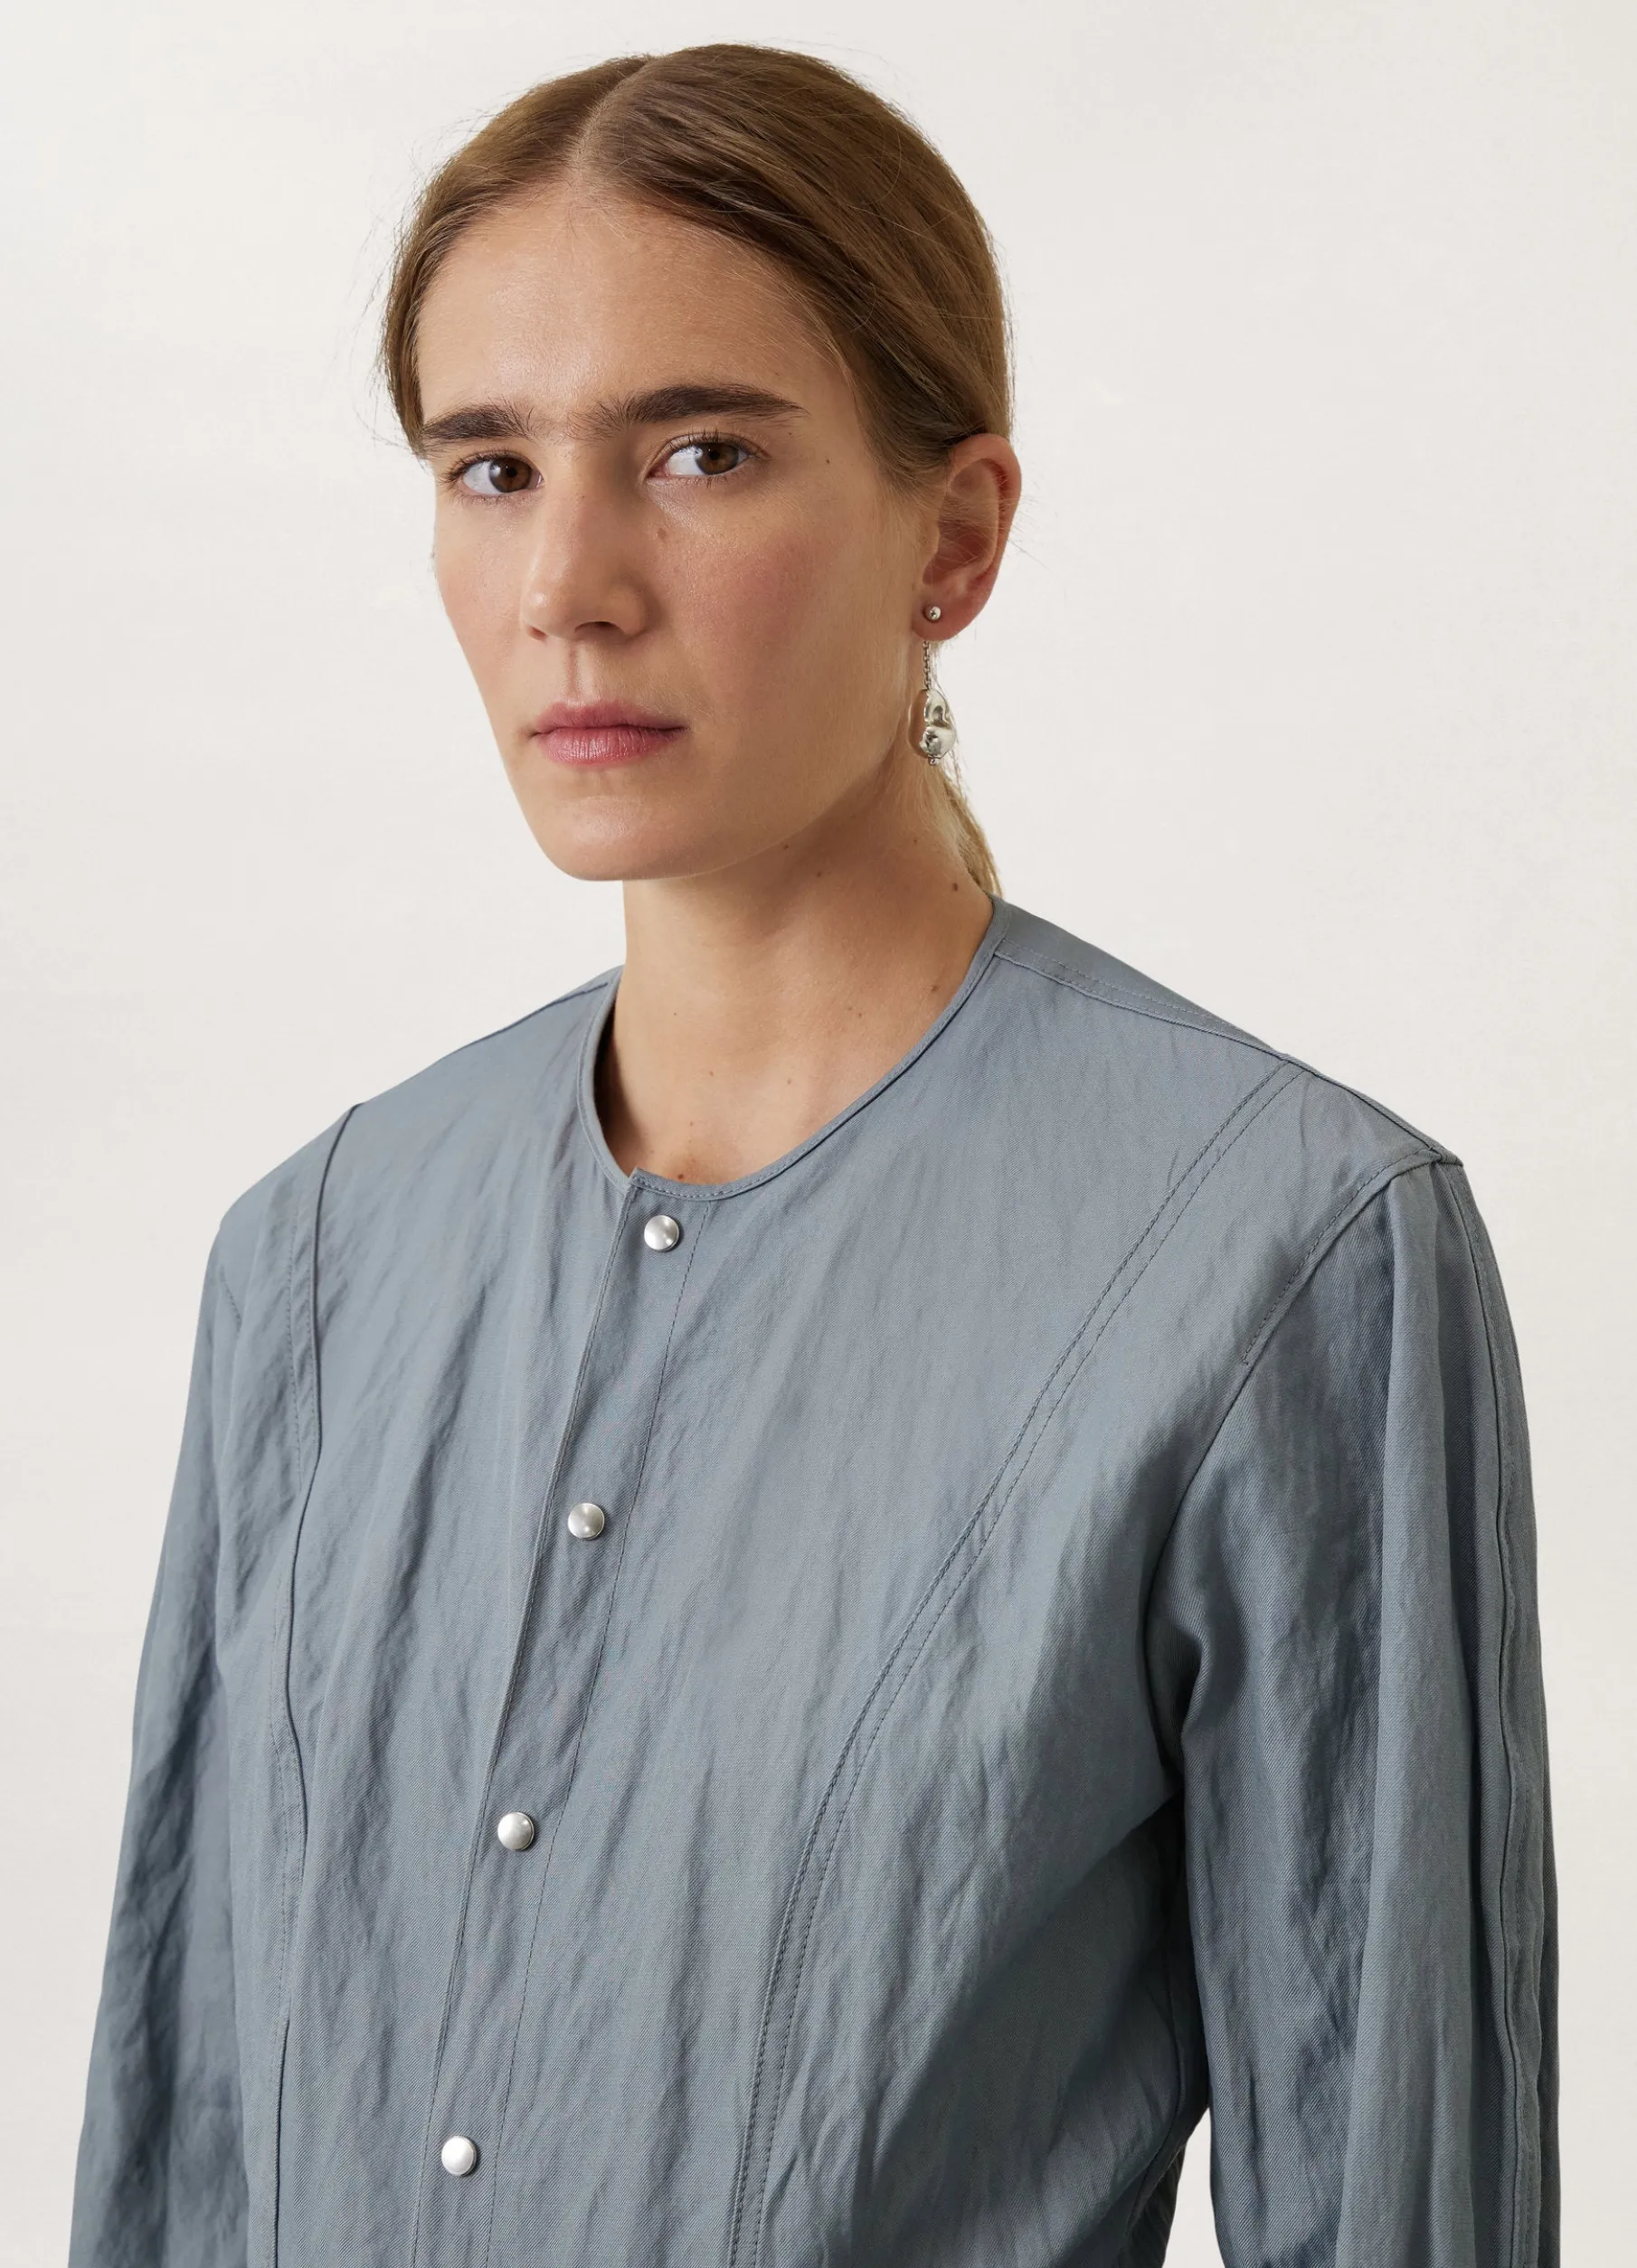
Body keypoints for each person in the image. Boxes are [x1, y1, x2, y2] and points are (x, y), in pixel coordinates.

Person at [70, 43, 1556, 2268]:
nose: (569, 581)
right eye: (490, 467)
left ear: (951, 537)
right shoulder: (312, 1261)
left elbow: (1394, 2188)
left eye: (700, 453)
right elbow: (187, 2153)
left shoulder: (1280, 1253)